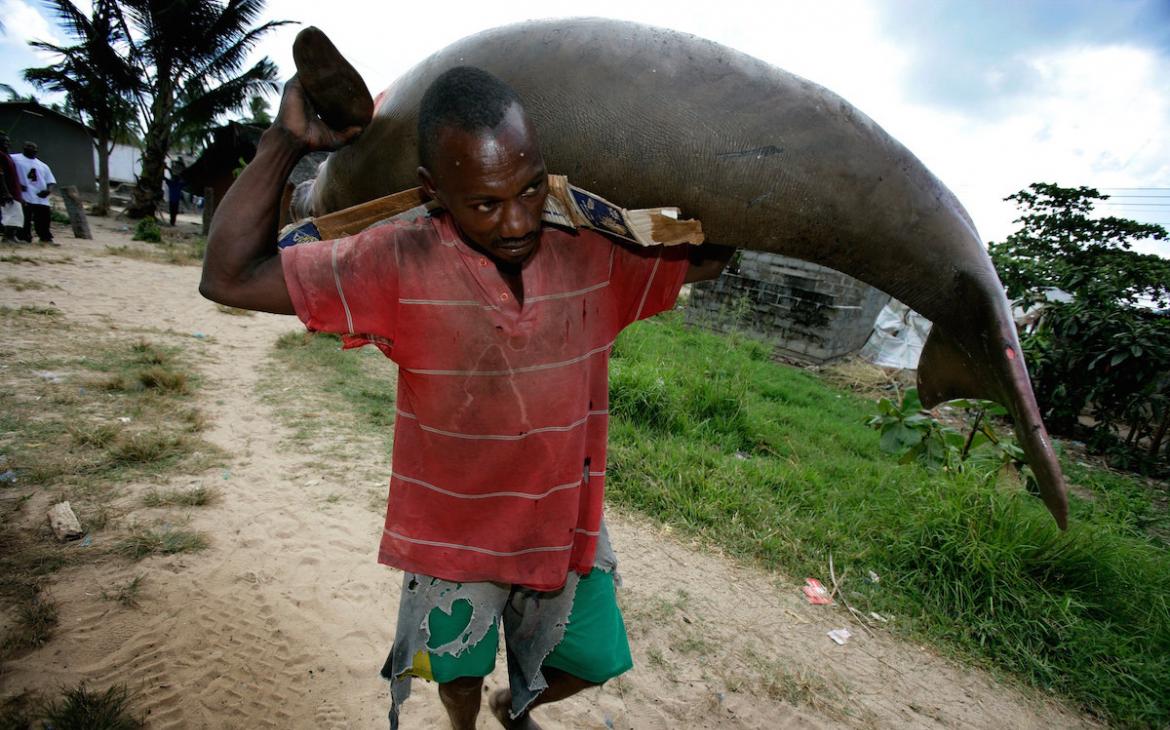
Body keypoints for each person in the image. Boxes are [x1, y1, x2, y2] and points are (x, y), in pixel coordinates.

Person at [199, 67, 733, 729]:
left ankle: (516, 708)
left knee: (591, 658)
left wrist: (712, 161)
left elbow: (713, 249)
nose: (516, 221)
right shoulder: (393, 262)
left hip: (565, 518)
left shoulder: (593, 250)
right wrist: (283, 143)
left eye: (531, 187)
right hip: (452, 536)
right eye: (484, 203)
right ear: (434, 194)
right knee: (455, 671)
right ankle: (466, 723)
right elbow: (227, 277)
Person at [12, 141, 56, 244]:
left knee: (43, 219)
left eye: (33, 147)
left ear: (37, 150)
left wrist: (48, 191)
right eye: (28, 146)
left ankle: (45, 238)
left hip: (40, 197)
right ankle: (24, 237)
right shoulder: (14, 158)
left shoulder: (42, 165)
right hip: (24, 194)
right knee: (25, 218)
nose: (31, 148)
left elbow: (51, 181)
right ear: (23, 147)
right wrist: (16, 184)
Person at [0, 133, 23, 242]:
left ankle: (12, 236)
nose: (7, 144)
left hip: (14, 189)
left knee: (17, 215)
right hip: (8, 190)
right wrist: (5, 192)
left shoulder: (7, 155)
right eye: (4, 141)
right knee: (12, 214)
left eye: (8, 141)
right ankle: (7, 237)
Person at [166, 160, 186, 226]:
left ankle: (172, 222)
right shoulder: (178, 184)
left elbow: (165, 179)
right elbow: (184, 182)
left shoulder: (171, 183)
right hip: (176, 200)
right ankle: (173, 222)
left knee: (172, 212)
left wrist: (167, 168)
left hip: (172, 200)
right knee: (174, 212)